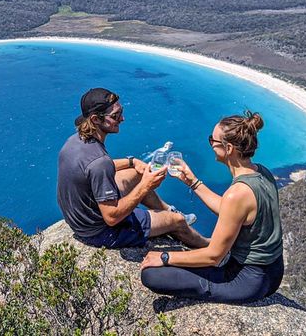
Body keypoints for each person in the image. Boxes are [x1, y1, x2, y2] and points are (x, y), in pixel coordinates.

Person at [140, 111, 284, 304]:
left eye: (212, 141)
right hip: (273, 272)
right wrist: (193, 182)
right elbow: (231, 212)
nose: (210, 145)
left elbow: (213, 256)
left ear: (229, 148)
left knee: (151, 275)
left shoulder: (238, 193)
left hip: (247, 281)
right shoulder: (262, 172)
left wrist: (165, 256)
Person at [57, 87, 208, 249]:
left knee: (135, 174)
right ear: (95, 119)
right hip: (100, 232)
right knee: (177, 222)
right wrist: (145, 186)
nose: (122, 119)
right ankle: (212, 249)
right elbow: (111, 218)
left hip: (80, 217)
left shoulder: (75, 141)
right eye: (115, 116)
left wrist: (132, 162)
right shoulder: (100, 162)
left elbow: (90, 170)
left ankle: (169, 210)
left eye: (121, 111)